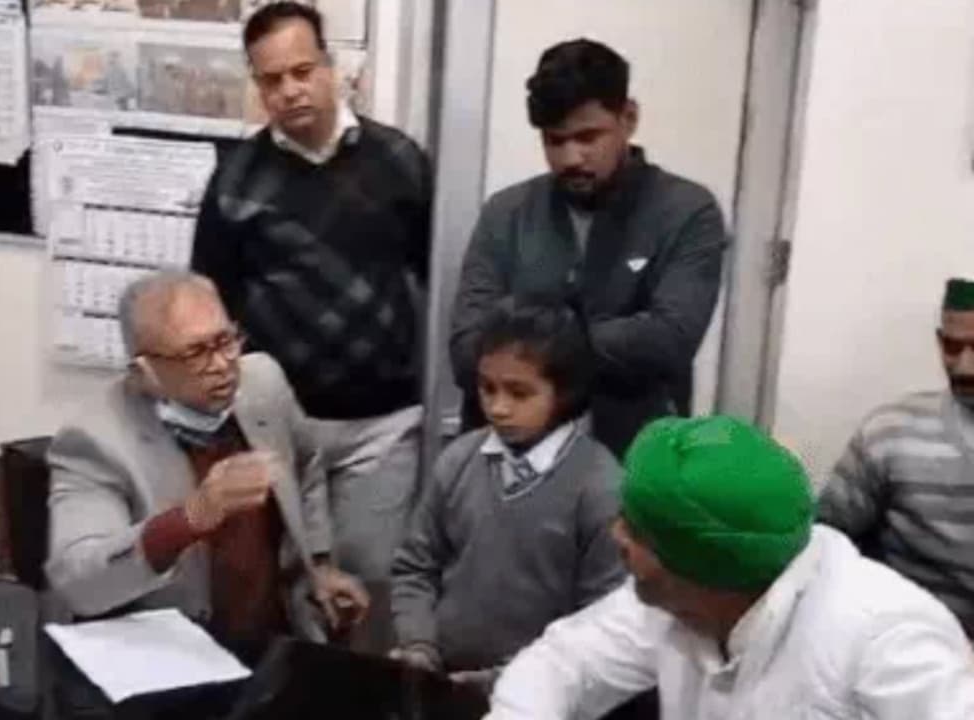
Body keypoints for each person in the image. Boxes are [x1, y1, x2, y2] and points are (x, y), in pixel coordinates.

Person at [190, 1, 433, 649]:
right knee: (293, 590)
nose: (290, 90)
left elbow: (433, 275)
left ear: (331, 67)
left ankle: (361, 693)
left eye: (302, 71)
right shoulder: (236, 179)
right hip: (279, 427)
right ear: (257, 85)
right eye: (272, 79)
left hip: (383, 424)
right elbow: (211, 300)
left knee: (370, 588)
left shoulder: (398, 160)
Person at [485, 415, 974, 719]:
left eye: (637, 531)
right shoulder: (667, 604)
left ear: (704, 567)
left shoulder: (886, 639)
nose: (616, 536)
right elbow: (562, 664)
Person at [44, 271, 368, 658]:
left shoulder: (262, 383)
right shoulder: (95, 439)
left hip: (278, 643)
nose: (222, 365)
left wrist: (318, 563)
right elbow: (79, 583)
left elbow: (306, 462)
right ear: (144, 371)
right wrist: (190, 518)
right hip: (172, 658)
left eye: (225, 340)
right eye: (195, 353)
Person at [449, 38, 727, 458]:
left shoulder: (687, 211)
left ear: (628, 118)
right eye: (554, 141)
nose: (571, 158)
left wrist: (527, 344)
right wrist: (608, 340)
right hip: (508, 466)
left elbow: (668, 340)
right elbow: (466, 351)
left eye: (587, 136)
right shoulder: (507, 213)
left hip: (631, 462)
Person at [391, 301, 626, 691]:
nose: (498, 408)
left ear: (565, 392)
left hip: (543, 696)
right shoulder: (459, 459)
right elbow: (416, 567)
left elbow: (602, 622)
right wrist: (418, 646)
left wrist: (501, 681)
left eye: (519, 393)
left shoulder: (599, 486)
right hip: (442, 679)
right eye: (487, 389)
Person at [818, 276, 974, 639]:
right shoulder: (890, 433)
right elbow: (824, 547)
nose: (965, 366)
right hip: (902, 646)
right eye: (953, 347)